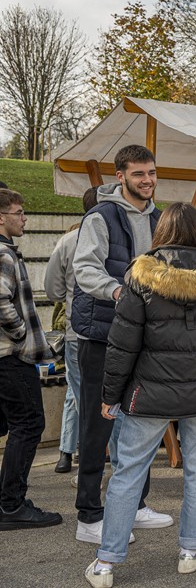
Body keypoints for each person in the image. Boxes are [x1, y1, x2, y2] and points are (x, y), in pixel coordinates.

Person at [84, 202, 196, 586]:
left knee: (128, 472)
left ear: (161, 230)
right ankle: (191, 548)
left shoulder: (141, 275)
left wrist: (110, 395)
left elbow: (122, 343)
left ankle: (106, 563)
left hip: (150, 389)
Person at [71, 145, 172, 544]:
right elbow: (85, 270)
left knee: (141, 423)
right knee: (98, 426)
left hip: (143, 339)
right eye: (138, 174)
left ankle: (135, 504)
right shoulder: (100, 217)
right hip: (102, 336)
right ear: (120, 177)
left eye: (151, 173)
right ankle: (89, 515)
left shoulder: (161, 219)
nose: (147, 181)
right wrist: (120, 294)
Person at [0, 188, 62, 531]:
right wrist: (22, 335)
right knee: (29, 425)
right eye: (18, 212)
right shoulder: (4, 254)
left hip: (8, 356)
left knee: (12, 425)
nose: (24, 218)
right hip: (11, 357)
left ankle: (7, 500)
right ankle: (11, 505)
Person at [44, 187, 98, 474]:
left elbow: (52, 288)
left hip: (76, 330)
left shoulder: (66, 241)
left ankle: (67, 451)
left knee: (76, 393)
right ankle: (93, 451)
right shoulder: (115, 237)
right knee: (96, 394)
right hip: (108, 331)